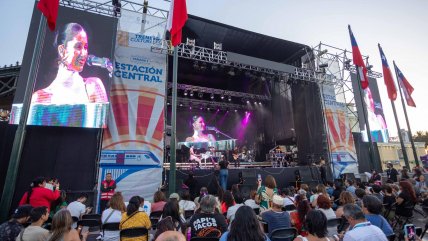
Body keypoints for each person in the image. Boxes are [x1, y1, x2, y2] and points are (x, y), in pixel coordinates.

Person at [31, 23, 107, 104]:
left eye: (86, 47)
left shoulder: (93, 85)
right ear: (62, 50)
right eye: (78, 46)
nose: (84, 53)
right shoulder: (40, 98)